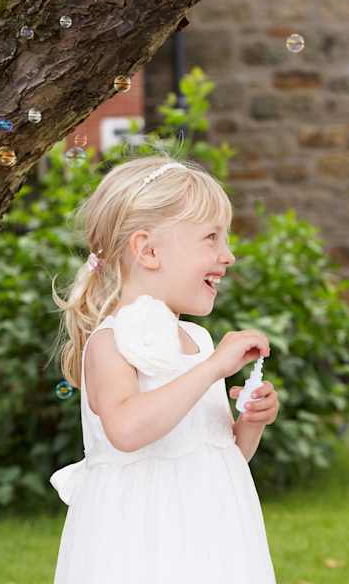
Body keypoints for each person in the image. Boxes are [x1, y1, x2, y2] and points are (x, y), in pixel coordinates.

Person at [51, 157, 279, 583]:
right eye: (211, 238)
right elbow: (127, 429)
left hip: (211, 533)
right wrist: (212, 370)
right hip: (143, 538)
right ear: (148, 250)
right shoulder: (110, 341)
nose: (227, 256)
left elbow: (223, 454)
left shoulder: (198, 340)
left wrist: (251, 421)